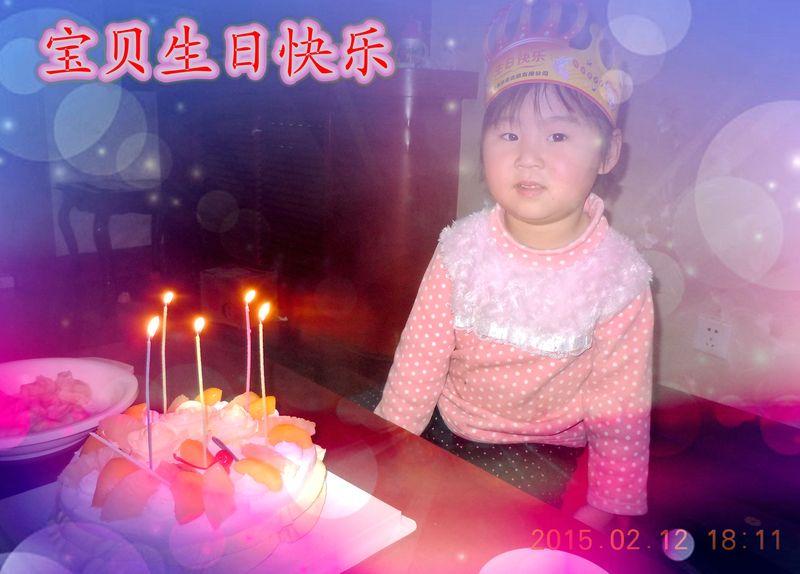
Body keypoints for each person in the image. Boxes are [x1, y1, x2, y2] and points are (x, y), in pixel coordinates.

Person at [374, 0, 654, 531]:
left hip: (544, 449)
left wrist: (606, 504)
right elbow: (419, 360)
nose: (528, 156)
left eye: (557, 136)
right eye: (508, 135)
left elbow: (621, 405)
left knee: (493, 536)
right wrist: (391, 445)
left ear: (608, 153)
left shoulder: (619, 278)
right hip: (448, 423)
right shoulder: (461, 248)